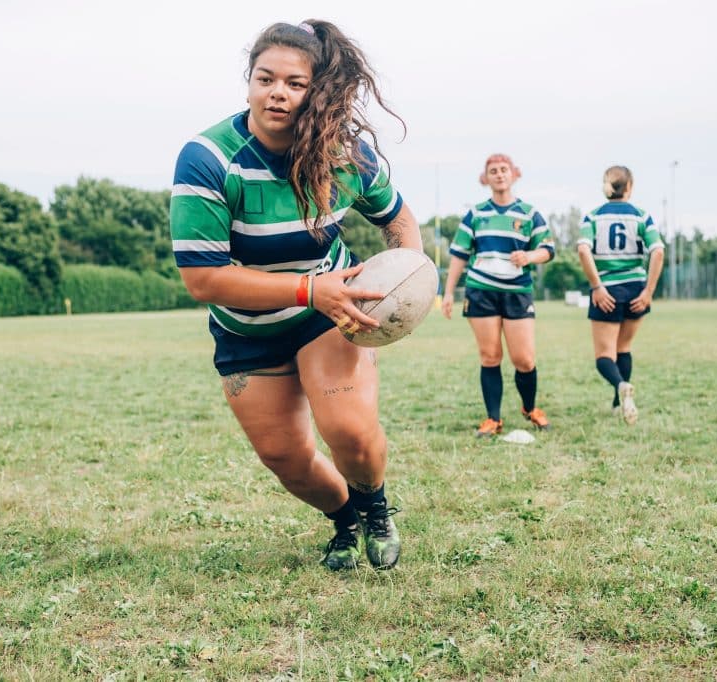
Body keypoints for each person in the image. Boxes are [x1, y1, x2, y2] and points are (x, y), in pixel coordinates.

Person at [169, 20, 423, 571]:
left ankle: (375, 507)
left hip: (330, 310)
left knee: (349, 431)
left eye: (294, 83)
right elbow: (202, 279)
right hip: (248, 325)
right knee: (285, 458)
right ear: (249, 83)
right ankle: (345, 519)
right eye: (266, 78)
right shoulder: (209, 158)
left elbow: (398, 218)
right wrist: (310, 290)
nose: (277, 92)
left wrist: (409, 283)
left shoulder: (343, 156)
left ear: (317, 92)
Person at [441, 154, 556, 437]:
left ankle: (530, 408)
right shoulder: (476, 214)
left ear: (514, 174)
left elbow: (549, 249)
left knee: (524, 359)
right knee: (490, 356)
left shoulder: (529, 213)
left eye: (504, 170)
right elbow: (459, 255)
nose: (499, 174)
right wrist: (446, 294)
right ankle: (493, 419)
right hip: (481, 291)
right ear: (486, 178)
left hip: (517, 292)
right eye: (493, 171)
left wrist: (529, 256)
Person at [577, 166, 664, 425]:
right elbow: (658, 251)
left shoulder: (592, 217)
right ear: (630, 187)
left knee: (604, 355)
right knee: (623, 348)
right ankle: (619, 404)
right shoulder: (641, 216)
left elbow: (583, 250)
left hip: (608, 291)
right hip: (636, 289)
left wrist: (596, 287)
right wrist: (648, 291)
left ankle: (621, 387)